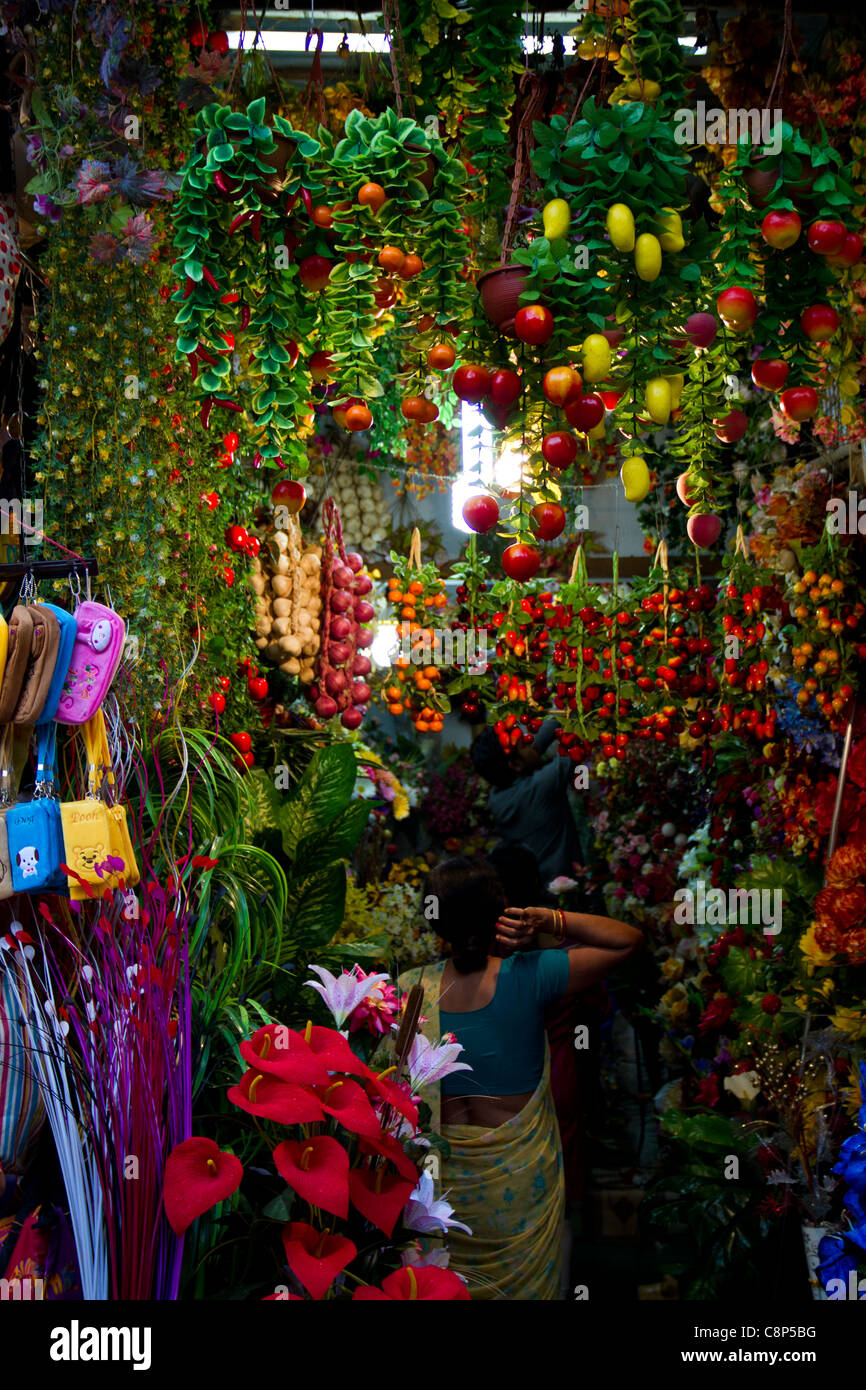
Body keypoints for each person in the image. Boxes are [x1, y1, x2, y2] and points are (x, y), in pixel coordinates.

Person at [398, 855, 642, 1301]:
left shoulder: (411, 990)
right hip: (519, 1183)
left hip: (444, 1191)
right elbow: (626, 942)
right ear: (502, 916)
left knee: (447, 1287)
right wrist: (550, 918)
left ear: (435, 924)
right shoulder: (531, 975)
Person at [471, 719, 580, 889]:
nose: (531, 741)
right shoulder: (540, 786)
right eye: (526, 743)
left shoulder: (498, 792)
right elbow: (577, 741)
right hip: (564, 890)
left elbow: (536, 745)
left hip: (541, 887)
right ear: (516, 765)